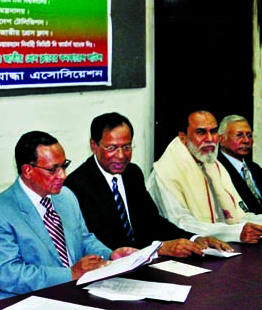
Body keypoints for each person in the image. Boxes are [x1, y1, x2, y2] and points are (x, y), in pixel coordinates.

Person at [0, 131, 135, 300]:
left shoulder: (66, 196)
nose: (63, 175)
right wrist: (70, 274)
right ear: (28, 170)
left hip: (72, 292)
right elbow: (8, 274)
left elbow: (84, 240)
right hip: (23, 300)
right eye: (53, 169)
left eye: (64, 166)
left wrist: (110, 255)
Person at [65, 112, 230, 257]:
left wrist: (194, 238)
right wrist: (159, 248)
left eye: (127, 147)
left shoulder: (132, 173)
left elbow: (153, 221)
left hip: (144, 260)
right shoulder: (78, 185)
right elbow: (104, 241)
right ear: (94, 145)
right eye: (112, 148)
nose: (121, 156)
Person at [147, 110, 262, 243]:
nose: (210, 139)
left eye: (213, 132)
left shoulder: (214, 166)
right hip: (180, 253)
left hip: (219, 248)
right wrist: (236, 232)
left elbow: (238, 215)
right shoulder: (166, 172)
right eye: (201, 132)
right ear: (183, 137)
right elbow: (181, 224)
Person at [217, 114, 262, 214]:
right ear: (221, 140)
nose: (246, 140)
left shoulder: (255, 168)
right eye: (239, 135)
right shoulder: (216, 170)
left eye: (249, 135)